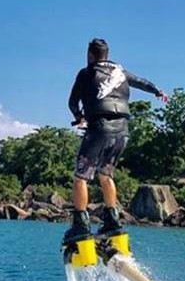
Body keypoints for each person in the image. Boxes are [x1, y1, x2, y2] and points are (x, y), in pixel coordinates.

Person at [64, 38, 168, 243]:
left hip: (99, 129)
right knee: (105, 175)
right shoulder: (120, 72)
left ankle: (81, 225)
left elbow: (72, 101)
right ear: (107, 54)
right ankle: (112, 220)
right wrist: (158, 92)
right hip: (122, 132)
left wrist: (78, 117)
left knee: (81, 177)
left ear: (90, 54)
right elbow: (143, 83)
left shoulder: (86, 73)